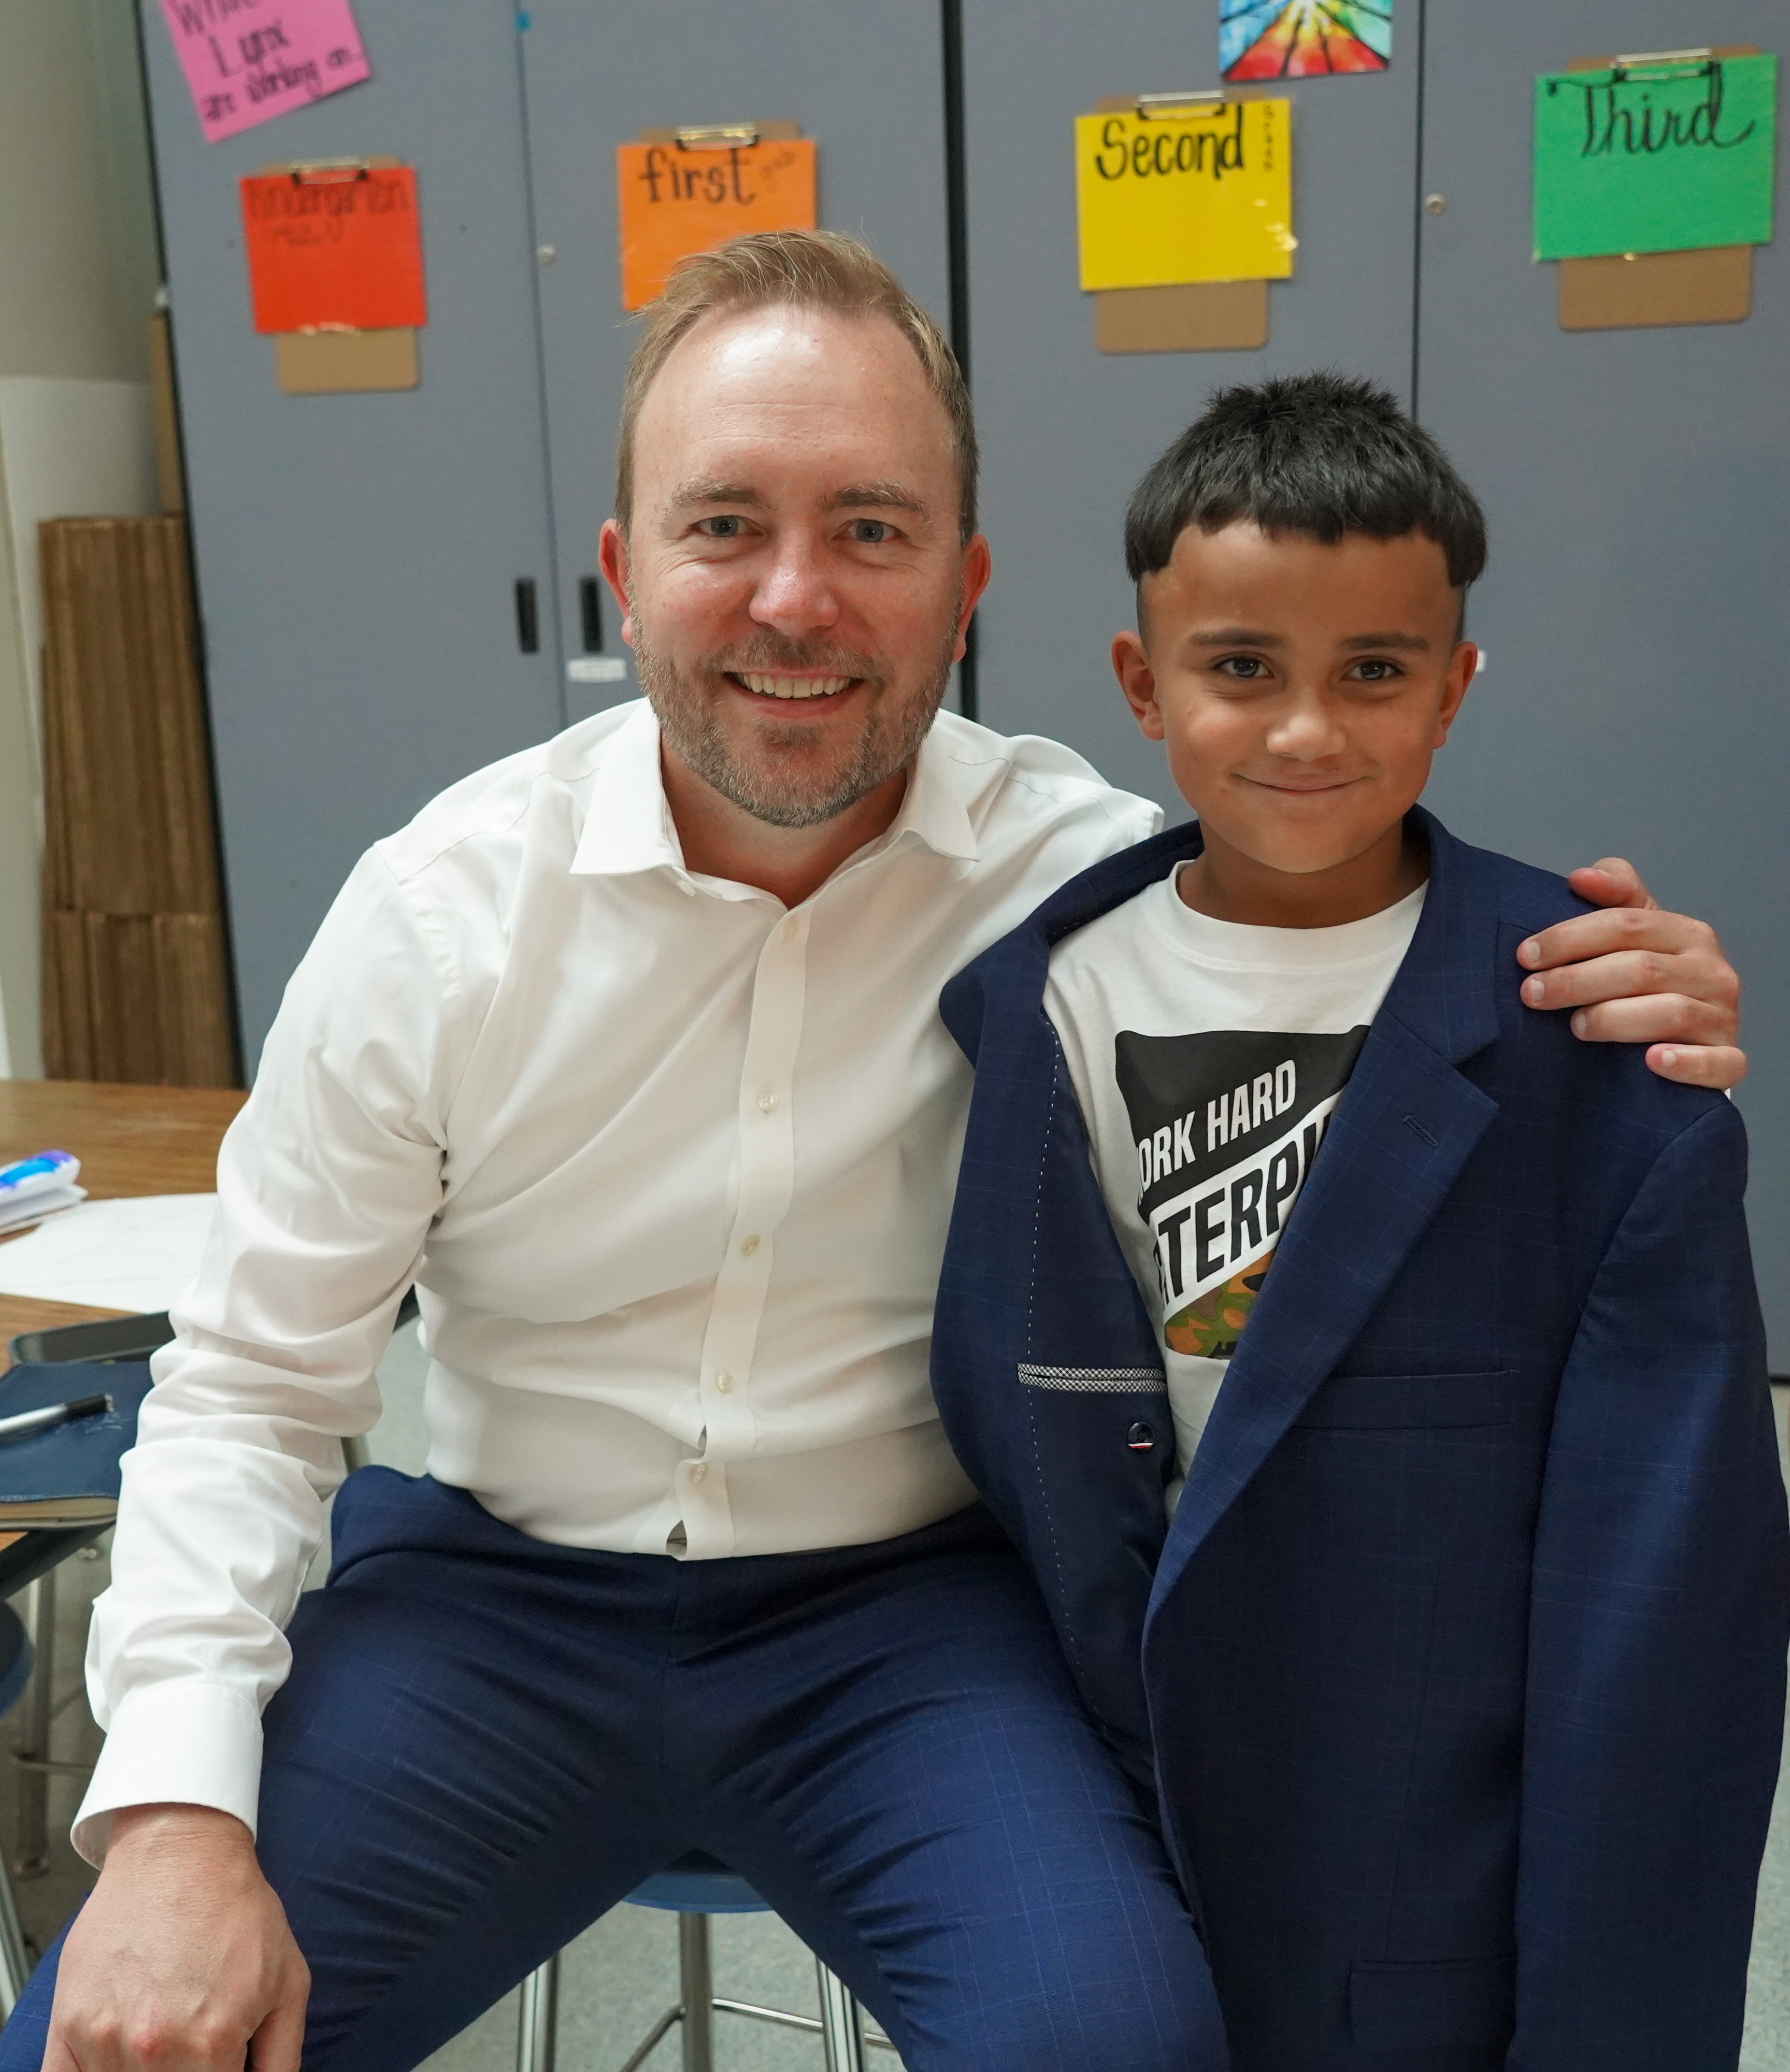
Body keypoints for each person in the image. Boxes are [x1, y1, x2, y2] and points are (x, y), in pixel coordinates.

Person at [6, 240, 1748, 2072]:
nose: (794, 600)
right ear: (623, 571)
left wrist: (1594, 966)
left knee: (1120, 2050)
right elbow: (257, 1390)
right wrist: (178, 1823)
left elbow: (1337, 869)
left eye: (872, 531)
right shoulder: (445, 918)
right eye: (723, 526)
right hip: (496, 1610)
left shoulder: (1088, 888)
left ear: (967, 587)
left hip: (909, 1629)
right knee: (130, 2052)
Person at [929, 373, 1788, 2072]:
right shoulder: (1043, 1001)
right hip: (1123, 1799)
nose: (1307, 730)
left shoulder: (1595, 1037)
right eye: (1242, 666)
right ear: (1140, 685)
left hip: (1424, 1856)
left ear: (1456, 690)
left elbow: (1665, 1618)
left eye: (1375, 673)